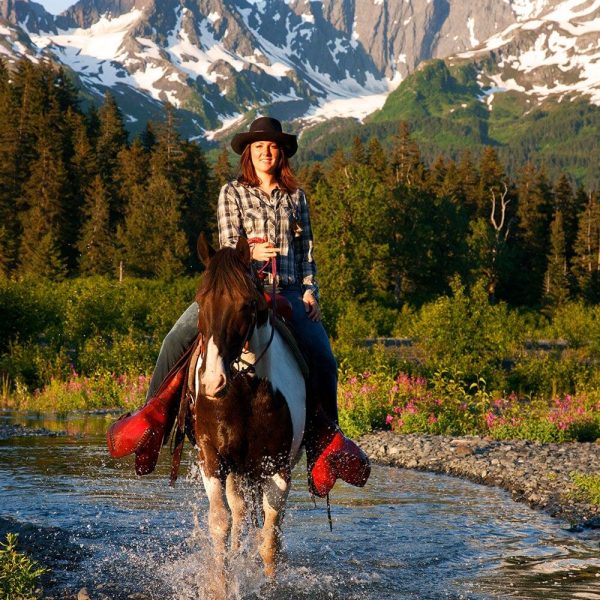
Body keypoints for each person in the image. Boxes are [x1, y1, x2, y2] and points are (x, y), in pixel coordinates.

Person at [107, 117, 370, 497]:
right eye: (260, 146)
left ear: (281, 153)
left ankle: (323, 445)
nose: (267, 151)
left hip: (290, 293)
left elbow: (307, 252)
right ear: (249, 153)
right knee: (176, 336)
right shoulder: (232, 192)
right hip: (239, 289)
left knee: (324, 358)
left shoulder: (296, 197)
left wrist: (311, 292)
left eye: (274, 146)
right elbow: (228, 247)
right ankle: (155, 419)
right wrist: (251, 252)